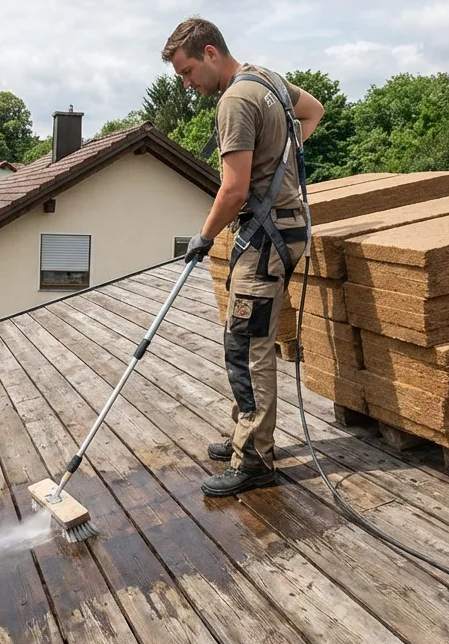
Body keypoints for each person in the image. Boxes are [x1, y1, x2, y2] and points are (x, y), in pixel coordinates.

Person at [164, 17, 325, 497]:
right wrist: (281, 164)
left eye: (189, 72)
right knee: (246, 338)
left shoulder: (235, 100)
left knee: (247, 346)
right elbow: (313, 111)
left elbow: (233, 190)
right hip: (288, 227)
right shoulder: (268, 79)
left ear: (210, 53)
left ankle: (254, 461)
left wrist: (203, 236)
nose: (188, 85)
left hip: (263, 237)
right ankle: (244, 433)